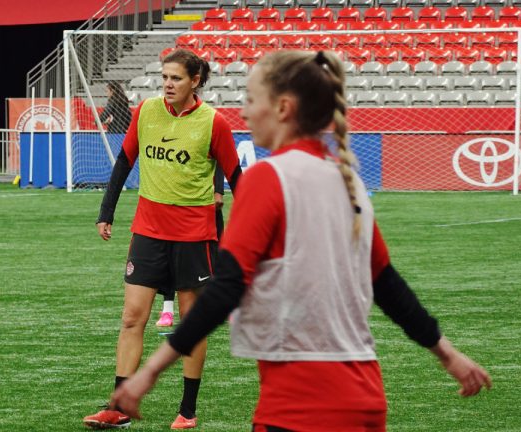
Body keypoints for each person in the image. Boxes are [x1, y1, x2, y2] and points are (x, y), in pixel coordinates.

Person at [111, 50, 492, 432]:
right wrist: (446, 353)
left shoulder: (266, 180)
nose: (244, 113)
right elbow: (386, 283)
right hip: (365, 400)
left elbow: (226, 288)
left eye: (251, 100)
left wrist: (152, 371)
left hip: (296, 405)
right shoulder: (349, 182)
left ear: (283, 108)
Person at [84, 48, 243, 430]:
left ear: (195, 81)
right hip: (148, 232)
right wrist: (107, 212)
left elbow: (237, 178)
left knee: (191, 322)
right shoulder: (146, 112)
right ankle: (118, 405)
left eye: (176, 78)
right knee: (131, 318)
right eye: (165, 77)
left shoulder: (214, 123)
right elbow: (124, 161)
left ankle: (187, 410)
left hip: (195, 235)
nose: (167, 84)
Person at [155, 165, 226, 328]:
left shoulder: (210, 139)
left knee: (216, 251)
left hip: (205, 203)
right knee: (171, 254)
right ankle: (167, 309)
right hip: (175, 202)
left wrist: (218, 191)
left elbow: (221, 161)